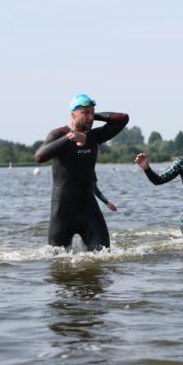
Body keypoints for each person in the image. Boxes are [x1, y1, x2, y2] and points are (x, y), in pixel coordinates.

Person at [33, 94, 129, 251]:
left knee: (104, 256)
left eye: (92, 113)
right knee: (58, 264)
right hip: (62, 212)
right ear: (72, 115)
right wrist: (70, 137)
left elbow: (123, 119)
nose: (90, 118)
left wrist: (93, 116)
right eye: (85, 113)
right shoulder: (58, 134)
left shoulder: (94, 136)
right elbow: (39, 157)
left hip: (88, 209)